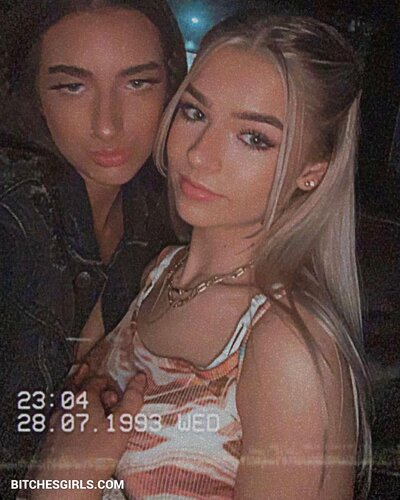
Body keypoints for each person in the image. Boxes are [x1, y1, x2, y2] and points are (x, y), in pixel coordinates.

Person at [33, 13, 372, 499]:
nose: (198, 155)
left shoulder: (289, 350)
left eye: (253, 138)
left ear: (313, 170)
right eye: (194, 113)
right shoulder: (156, 272)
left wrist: (62, 483)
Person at [0, 0, 186, 496]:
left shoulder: (160, 223)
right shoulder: (15, 221)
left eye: (138, 83)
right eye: (72, 86)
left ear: (171, 88)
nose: (107, 125)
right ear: (35, 97)